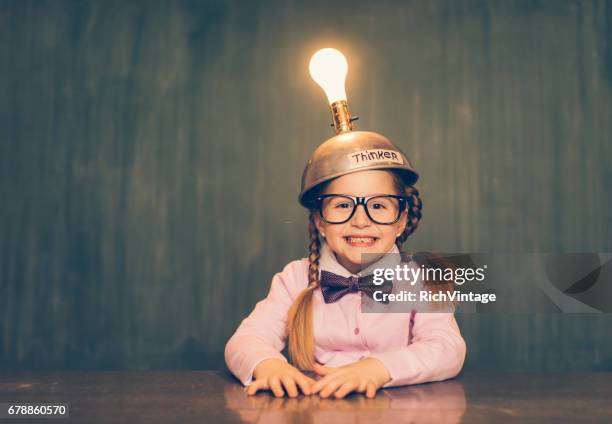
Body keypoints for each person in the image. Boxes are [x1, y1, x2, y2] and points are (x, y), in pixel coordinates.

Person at [224, 123, 467, 399]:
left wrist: (379, 368)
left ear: (400, 221)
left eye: (378, 205)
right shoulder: (294, 278)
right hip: (316, 408)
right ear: (320, 221)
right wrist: (268, 366)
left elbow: (448, 348)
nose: (360, 221)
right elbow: (245, 340)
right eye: (342, 205)